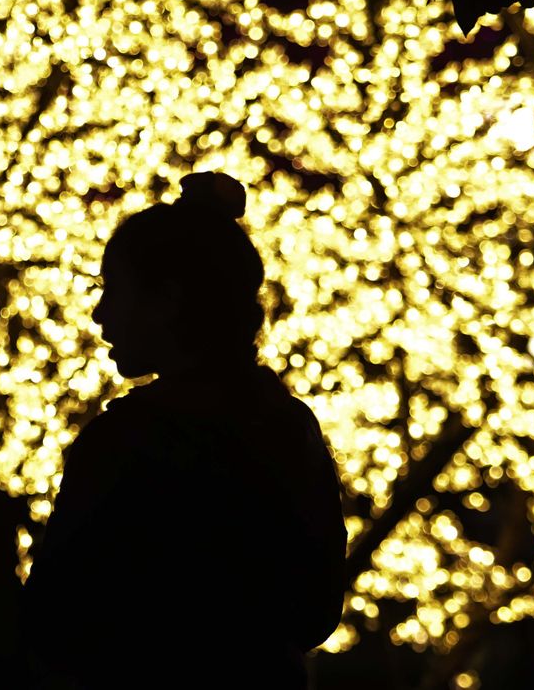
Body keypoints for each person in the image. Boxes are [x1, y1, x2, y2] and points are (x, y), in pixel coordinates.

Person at [22, 172, 348, 689]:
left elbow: (54, 621)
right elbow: (315, 611)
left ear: (167, 300)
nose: (100, 314)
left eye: (114, 290)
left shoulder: (125, 441)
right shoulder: (289, 429)